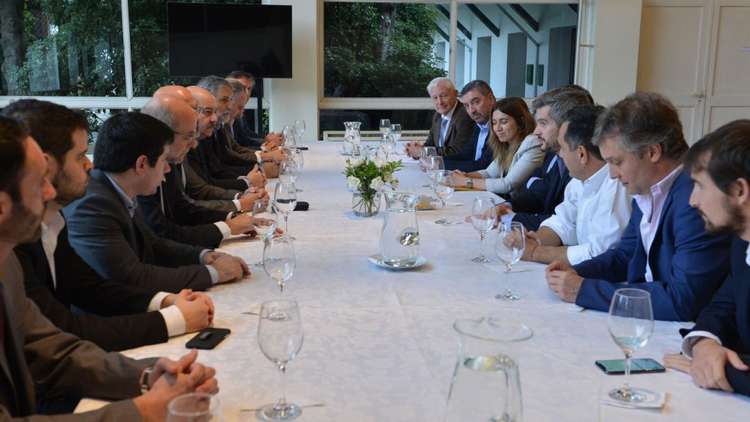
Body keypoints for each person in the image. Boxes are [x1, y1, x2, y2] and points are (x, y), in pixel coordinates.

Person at [0, 115, 218, 420]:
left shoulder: (6, 262)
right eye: (39, 181)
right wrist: (143, 410)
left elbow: (53, 349)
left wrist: (145, 376)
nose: (48, 191)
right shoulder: (15, 252)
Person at [544, 92, 732, 321]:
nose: (612, 174)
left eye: (617, 162)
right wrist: (578, 271)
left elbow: (683, 300)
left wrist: (584, 290)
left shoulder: (694, 200)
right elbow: (625, 255)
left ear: (653, 152)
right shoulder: (649, 187)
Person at [65, 112, 250, 292]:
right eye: (163, 160)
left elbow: (154, 244)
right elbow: (133, 278)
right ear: (142, 164)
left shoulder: (117, 189)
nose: (168, 169)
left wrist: (205, 256)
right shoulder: (93, 205)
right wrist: (214, 273)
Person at [662, 120, 750, 396]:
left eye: (699, 185)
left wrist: (722, 370)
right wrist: (704, 343)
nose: (692, 201)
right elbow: (721, 307)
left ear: (739, 191)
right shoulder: (741, 242)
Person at [138, 94, 258, 248]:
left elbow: (181, 208)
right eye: (189, 136)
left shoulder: (169, 161)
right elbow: (161, 234)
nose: (194, 144)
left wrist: (232, 217)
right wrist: (228, 226)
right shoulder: (142, 171)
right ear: (163, 132)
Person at [519, 104, 631, 266]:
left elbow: (601, 253)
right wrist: (534, 241)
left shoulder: (617, 184)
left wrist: (536, 253)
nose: (560, 155)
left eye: (562, 148)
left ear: (581, 154)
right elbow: (562, 222)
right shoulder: (579, 180)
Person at [496, 86, 593, 230]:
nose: (536, 132)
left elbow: (568, 223)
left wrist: (510, 218)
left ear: (567, 125)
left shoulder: (583, 163)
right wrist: (507, 206)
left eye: (543, 123)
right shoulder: (553, 156)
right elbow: (540, 196)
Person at [186, 85, 269, 212]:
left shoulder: (202, 136)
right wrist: (244, 190)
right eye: (225, 100)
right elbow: (188, 203)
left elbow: (211, 176)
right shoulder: (174, 149)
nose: (230, 106)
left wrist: (240, 197)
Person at [448, 97, 544, 195]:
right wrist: (464, 175)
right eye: (494, 123)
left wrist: (465, 181)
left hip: (523, 208)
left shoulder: (532, 143)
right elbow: (489, 173)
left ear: (520, 122)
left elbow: (507, 184)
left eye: (503, 122)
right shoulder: (507, 144)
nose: (497, 128)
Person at [404, 77, 475, 161]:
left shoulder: (465, 116)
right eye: (435, 98)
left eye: (444, 96)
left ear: (455, 94)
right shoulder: (437, 115)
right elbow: (430, 144)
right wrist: (416, 150)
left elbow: (458, 152)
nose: (440, 102)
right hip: (439, 168)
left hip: (458, 169)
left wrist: (423, 152)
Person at [443, 80, 497, 172]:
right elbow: (465, 155)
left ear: (491, 99)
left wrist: (440, 164)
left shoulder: (499, 128)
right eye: (466, 105)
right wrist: (436, 160)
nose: (472, 110)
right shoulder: (478, 126)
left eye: (476, 102)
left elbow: (483, 166)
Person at [226, 70, 283, 148]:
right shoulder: (225, 115)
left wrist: (266, 140)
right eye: (241, 88)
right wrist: (266, 144)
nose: (246, 92)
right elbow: (240, 144)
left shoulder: (240, 110)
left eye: (248, 89)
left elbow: (247, 135)